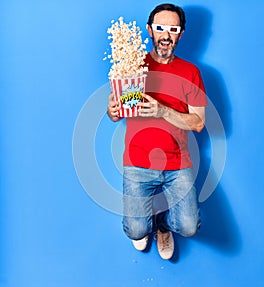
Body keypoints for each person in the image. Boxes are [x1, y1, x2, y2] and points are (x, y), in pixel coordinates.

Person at [107, 3, 207, 260]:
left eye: (173, 29)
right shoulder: (133, 63)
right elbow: (116, 108)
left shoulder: (190, 72)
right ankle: (148, 221)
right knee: (136, 231)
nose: (166, 35)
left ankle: (162, 224)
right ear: (150, 30)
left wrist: (163, 111)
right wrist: (113, 110)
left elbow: (198, 123)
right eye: (160, 28)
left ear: (180, 34)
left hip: (177, 163)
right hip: (138, 161)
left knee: (188, 227)